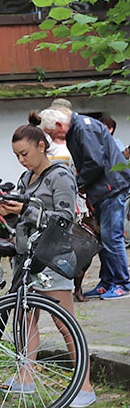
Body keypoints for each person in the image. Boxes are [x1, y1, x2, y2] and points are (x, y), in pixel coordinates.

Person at [0, 123, 96, 408]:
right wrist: (9, 213)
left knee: (65, 324)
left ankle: (85, 387)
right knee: (26, 319)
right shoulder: (26, 177)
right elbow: (22, 220)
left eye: (25, 153)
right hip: (28, 259)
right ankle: (26, 379)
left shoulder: (61, 176)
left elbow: (66, 218)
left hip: (53, 258)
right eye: (17, 155)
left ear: (41, 146)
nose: (21, 160)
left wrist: (26, 209)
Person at [39, 105, 130, 300]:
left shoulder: (83, 129)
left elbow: (95, 162)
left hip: (111, 187)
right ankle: (107, 282)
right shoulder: (78, 128)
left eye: (51, 132)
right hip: (103, 188)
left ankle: (123, 283)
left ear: (58, 124)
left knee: (112, 237)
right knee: (103, 238)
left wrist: (77, 183)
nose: (52, 137)